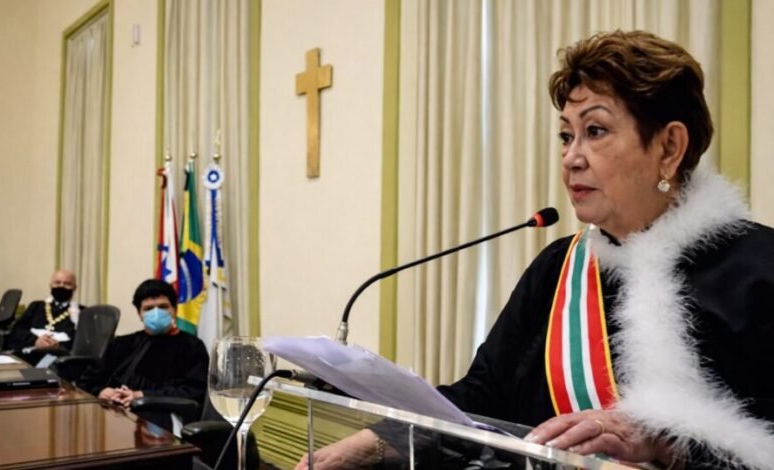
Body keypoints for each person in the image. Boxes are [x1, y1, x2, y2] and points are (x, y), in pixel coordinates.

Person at [297, 30, 774, 470]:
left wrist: (669, 444)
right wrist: (374, 443)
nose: (571, 158)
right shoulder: (558, 268)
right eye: (566, 135)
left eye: (595, 131)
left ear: (669, 147)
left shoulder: (759, 267)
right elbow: (482, 397)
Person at [77, 279, 209, 430]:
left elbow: (194, 392)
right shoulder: (121, 343)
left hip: (162, 414)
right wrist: (102, 391)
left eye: (163, 307)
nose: (156, 312)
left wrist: (141, 395)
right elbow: (87, 380)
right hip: (112, 411)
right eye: (148, 308)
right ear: (139, 314)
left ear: (174, 310)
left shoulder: (192, 346)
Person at [6, 269, 82, 365]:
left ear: (74, 288)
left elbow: (81, 342)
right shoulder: (36, 306)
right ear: (50, 285)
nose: (61, 286)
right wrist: (35, 341)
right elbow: (17, 331)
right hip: (28, 356)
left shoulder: (82, 312)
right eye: (57, 283)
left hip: (59, 361)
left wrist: (58, 346)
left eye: (67, 284)